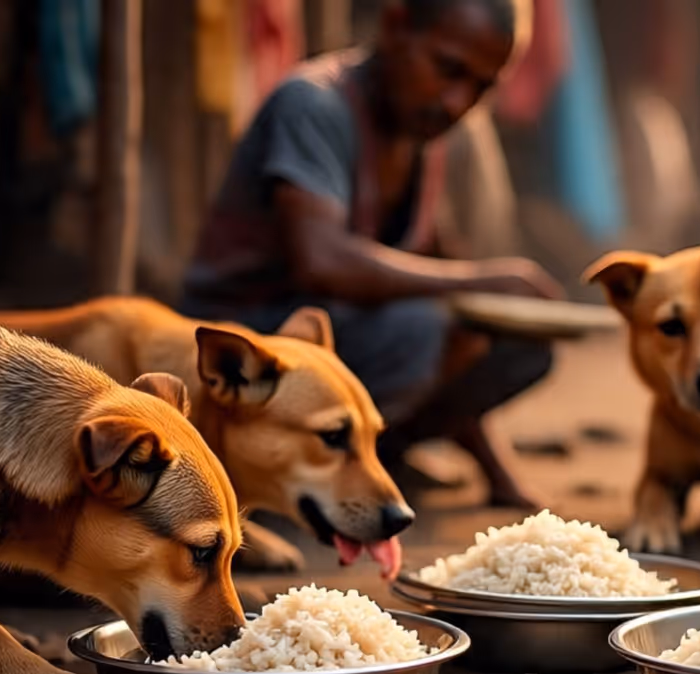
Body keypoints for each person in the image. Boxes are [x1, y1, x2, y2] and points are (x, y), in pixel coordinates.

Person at [178, 0, 560, 509]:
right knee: (423, 327)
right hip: (237, 354)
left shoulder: (425, 135)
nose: (456, 101)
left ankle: (379, 455)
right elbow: (323, 261)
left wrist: (499, 475)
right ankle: (263, 478)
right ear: (396, 24)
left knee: (517, 342)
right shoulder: (314, 104)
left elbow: (439, 273)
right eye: (447, 69)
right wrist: (479, 282)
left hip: (334, 350)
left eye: (480, 88)